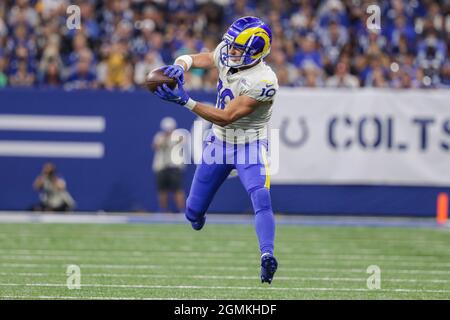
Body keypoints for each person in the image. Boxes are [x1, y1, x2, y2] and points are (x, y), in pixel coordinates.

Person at [152, 16, 279, 284]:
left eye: (237, 48)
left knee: (261, 197)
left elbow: (226, 116)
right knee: (192, 212)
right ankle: (197, 217)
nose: (230, 51)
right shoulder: (228, 51)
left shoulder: (264, 80)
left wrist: (186, 102)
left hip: (249, 145)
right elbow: (201, 58)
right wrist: (180, 65)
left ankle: (267, 255)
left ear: (256, 51)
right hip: (219, 144)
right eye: (230, 45)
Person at [152, 117, 186, 213]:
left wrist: (171, 137)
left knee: (178, 189)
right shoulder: (159, 136)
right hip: (162, 166)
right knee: (162, 190)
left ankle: (182, 210)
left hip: (175, 166)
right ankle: (163, 210)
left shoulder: (179, 134)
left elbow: (182, 141)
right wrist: (164, 139)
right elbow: (155, 146)